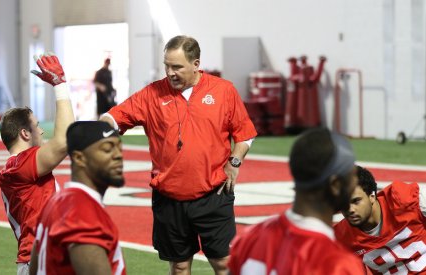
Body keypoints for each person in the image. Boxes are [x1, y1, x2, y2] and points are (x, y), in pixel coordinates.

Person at [100, 35, 257, 275]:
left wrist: (234, 162)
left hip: (214, 194)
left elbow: (245, 134)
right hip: (169, 198)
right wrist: (100, 128)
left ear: (196, 64)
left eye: (177, 67)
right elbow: (114, 117)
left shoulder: (223, 90)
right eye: (167, 65)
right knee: (180, 266)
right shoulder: (151, 94)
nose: (170, 72)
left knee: (223, 263)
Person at [227, 128, 366, 275]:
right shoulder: (339, 265)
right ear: (335, 185)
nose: (355, 182)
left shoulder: (250, 237)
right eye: (352, 175)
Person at [0, 53, 74, 275]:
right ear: (24, 133)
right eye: (37, 125)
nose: (41, 130)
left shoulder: (18, 166)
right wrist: (59, 85)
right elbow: (64, 142)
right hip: (38, 260)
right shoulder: (19, 166)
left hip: (46, 256)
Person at [29, 121, 126, 275]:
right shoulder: (83, 212)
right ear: (79, 158)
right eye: (107, 149)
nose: (118, 156)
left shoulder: (57, 201)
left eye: (119, 148)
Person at [334, 166, 426, 274]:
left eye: (356, 201)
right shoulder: (341, 237)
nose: (350, 210)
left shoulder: (404, 200)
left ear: (372, 196)